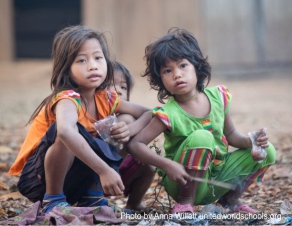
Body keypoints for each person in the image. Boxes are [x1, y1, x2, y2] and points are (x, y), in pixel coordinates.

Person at [128, 28, 276, 214]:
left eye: (183, 66)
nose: (177, 74)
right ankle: (185, 202)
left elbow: (230, 135)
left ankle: (230, 198)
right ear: (160, 79)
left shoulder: (217, 97)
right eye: (167, 70)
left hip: (215, 178)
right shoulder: (168, 113)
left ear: (197, 66)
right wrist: (166, 165)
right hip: (181, 183)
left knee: (268, 150)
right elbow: (136, 145)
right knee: (201, 137)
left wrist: (251, 141)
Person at [8, 25, 151, 214]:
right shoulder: (67, 98)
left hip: (78, 178)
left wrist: (129, 130)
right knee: (67, 131)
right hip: (39, 180)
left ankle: (92, 195)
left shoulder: (106, 98)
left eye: (98, 58)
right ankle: (53, 200)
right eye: (82, 60)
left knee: (124, 119)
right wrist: (104, 170)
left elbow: (149, 113)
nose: (92, 65)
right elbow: (65, 132)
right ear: (67, 70)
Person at [108, 61, 155, 211]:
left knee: (148, 168)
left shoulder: (125, 112)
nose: (119, 91)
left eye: (123, 87)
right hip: (92, 173)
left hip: (120, 171)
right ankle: (92, 199)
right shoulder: (91, 108)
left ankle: (134, 203)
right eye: (111, 84)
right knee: (127, 119)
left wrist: (132, 129)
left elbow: (154, 114)